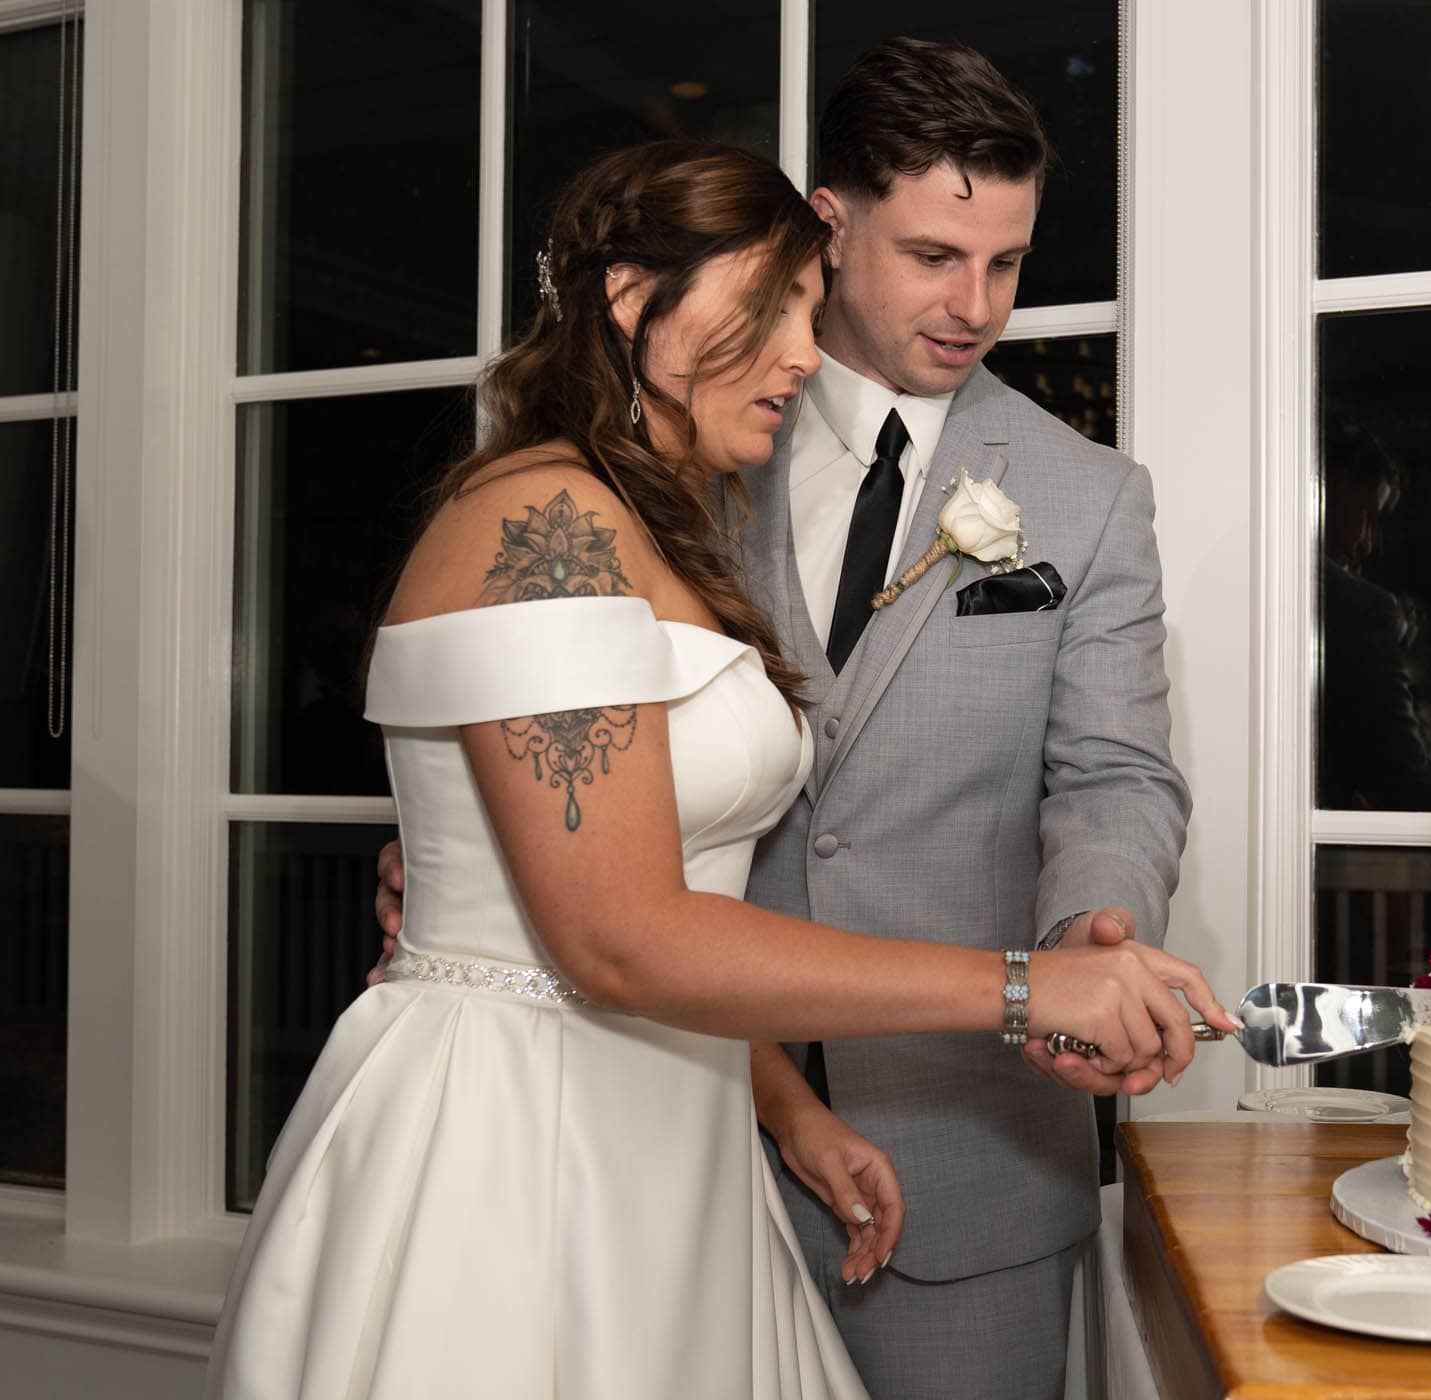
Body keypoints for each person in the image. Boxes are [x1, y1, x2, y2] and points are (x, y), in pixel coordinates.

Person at [211, 139, 1227, 1400]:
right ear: (636, 303)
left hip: (691, 1124)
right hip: (525, 1148)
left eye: (807, 310)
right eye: (771, 310)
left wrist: (792, 1116)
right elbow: (622, 941)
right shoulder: (552, 527)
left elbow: (640, 874)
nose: (804, 354)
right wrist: (1024, 986)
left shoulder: (649, 518)